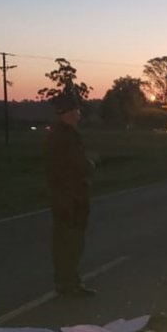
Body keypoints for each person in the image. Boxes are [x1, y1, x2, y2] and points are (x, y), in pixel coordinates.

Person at [44, 94, 96, 297]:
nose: (79, 114)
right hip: (71, 197)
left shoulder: (58, 134)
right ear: (70, 112)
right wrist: (90, 164)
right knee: (71, 242)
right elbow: (77, 165)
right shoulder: (66, 136)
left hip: (65, 196)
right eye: (77, 110)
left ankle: (67, 281)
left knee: (66, 241)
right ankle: (68, 283)